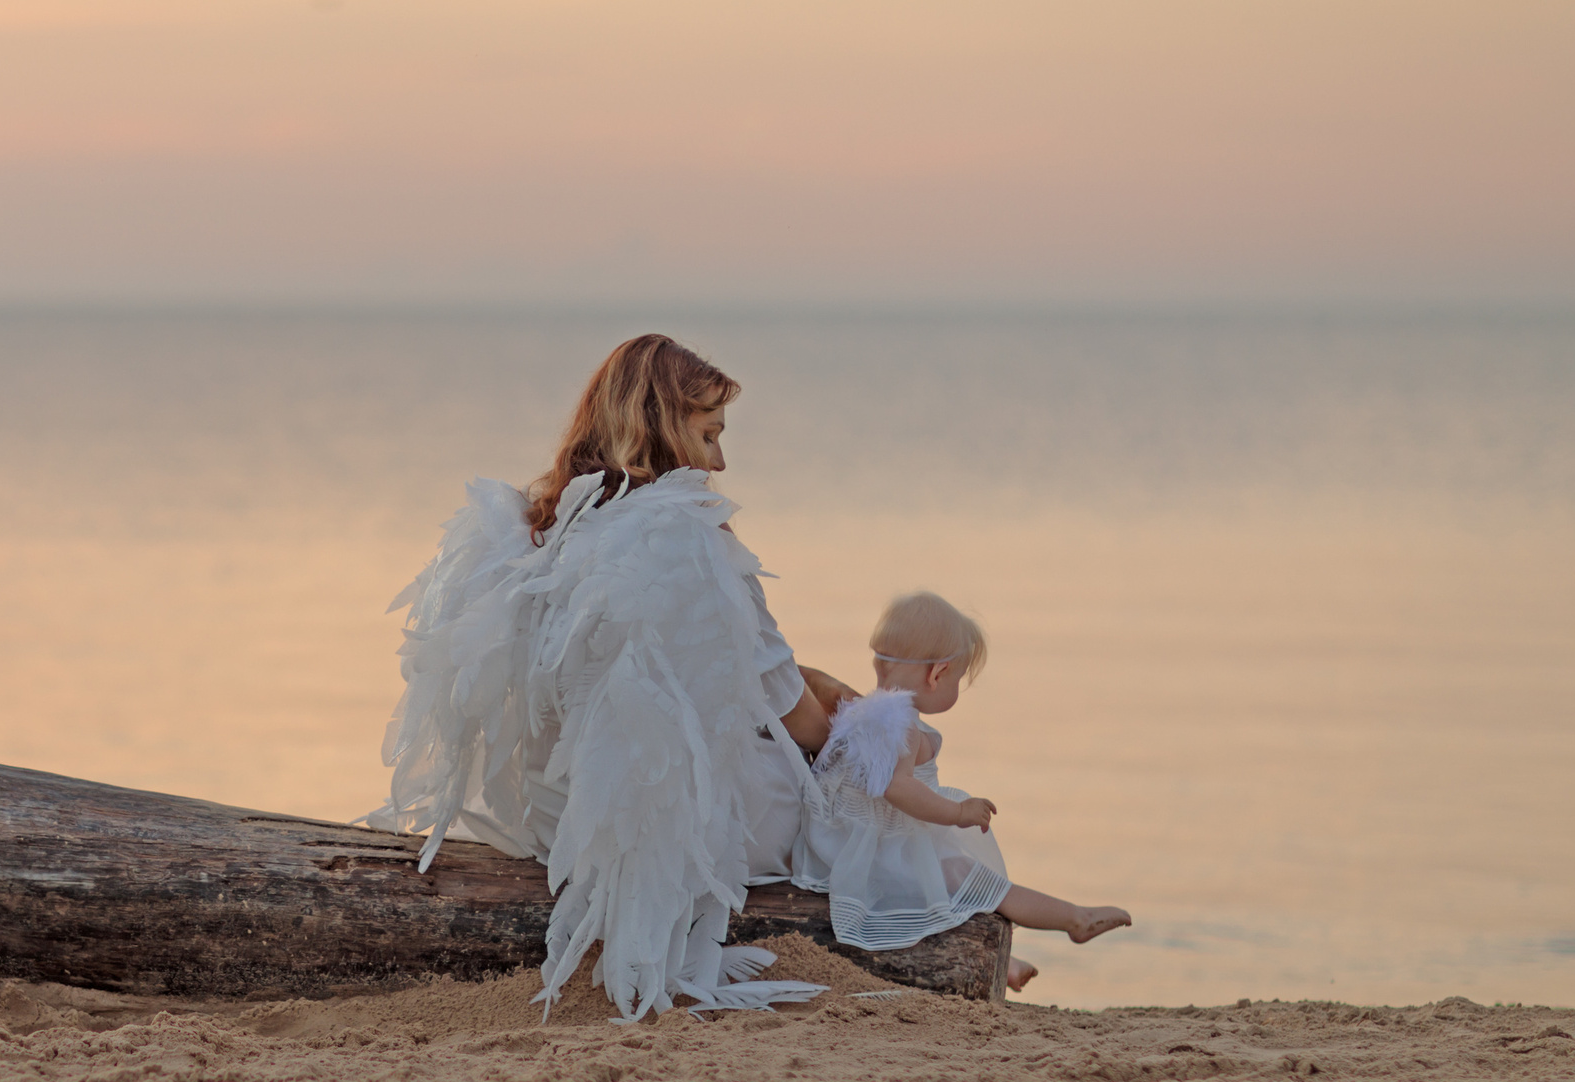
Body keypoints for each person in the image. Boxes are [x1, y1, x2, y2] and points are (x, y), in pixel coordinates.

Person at [368, 333, 853, 1020]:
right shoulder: (691, 537)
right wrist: (857, 726)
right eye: (709, 435)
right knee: (874, 766)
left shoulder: (531, 527)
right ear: (664, 427)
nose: (720, 461)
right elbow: (793, 712)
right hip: (656, 831)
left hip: (554, 819)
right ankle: (971, 922)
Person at [812, 592, 1132, 990]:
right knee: (971, 878)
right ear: (938, 674)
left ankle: (1009, 959)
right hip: (877, 851)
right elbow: (897, 787)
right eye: (959, 679)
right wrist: (957, 813)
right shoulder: (902, 726)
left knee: (956, 879)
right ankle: (1075, 920)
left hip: (849, 841)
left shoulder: (870, 710)